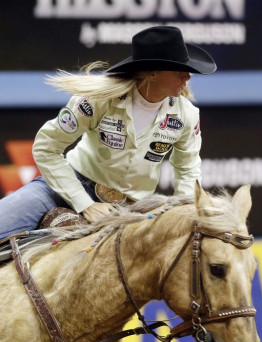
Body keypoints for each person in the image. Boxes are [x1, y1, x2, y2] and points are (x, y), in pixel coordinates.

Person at [0, 26, 216, 240]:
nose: (187, 77)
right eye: (179, 70)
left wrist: (184, 214)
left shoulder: (186, 115)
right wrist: (85, 204)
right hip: (67, 186)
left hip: (132, 209)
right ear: (153, 72)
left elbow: (188, 169)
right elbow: (46, 147)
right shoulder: (98, 99)